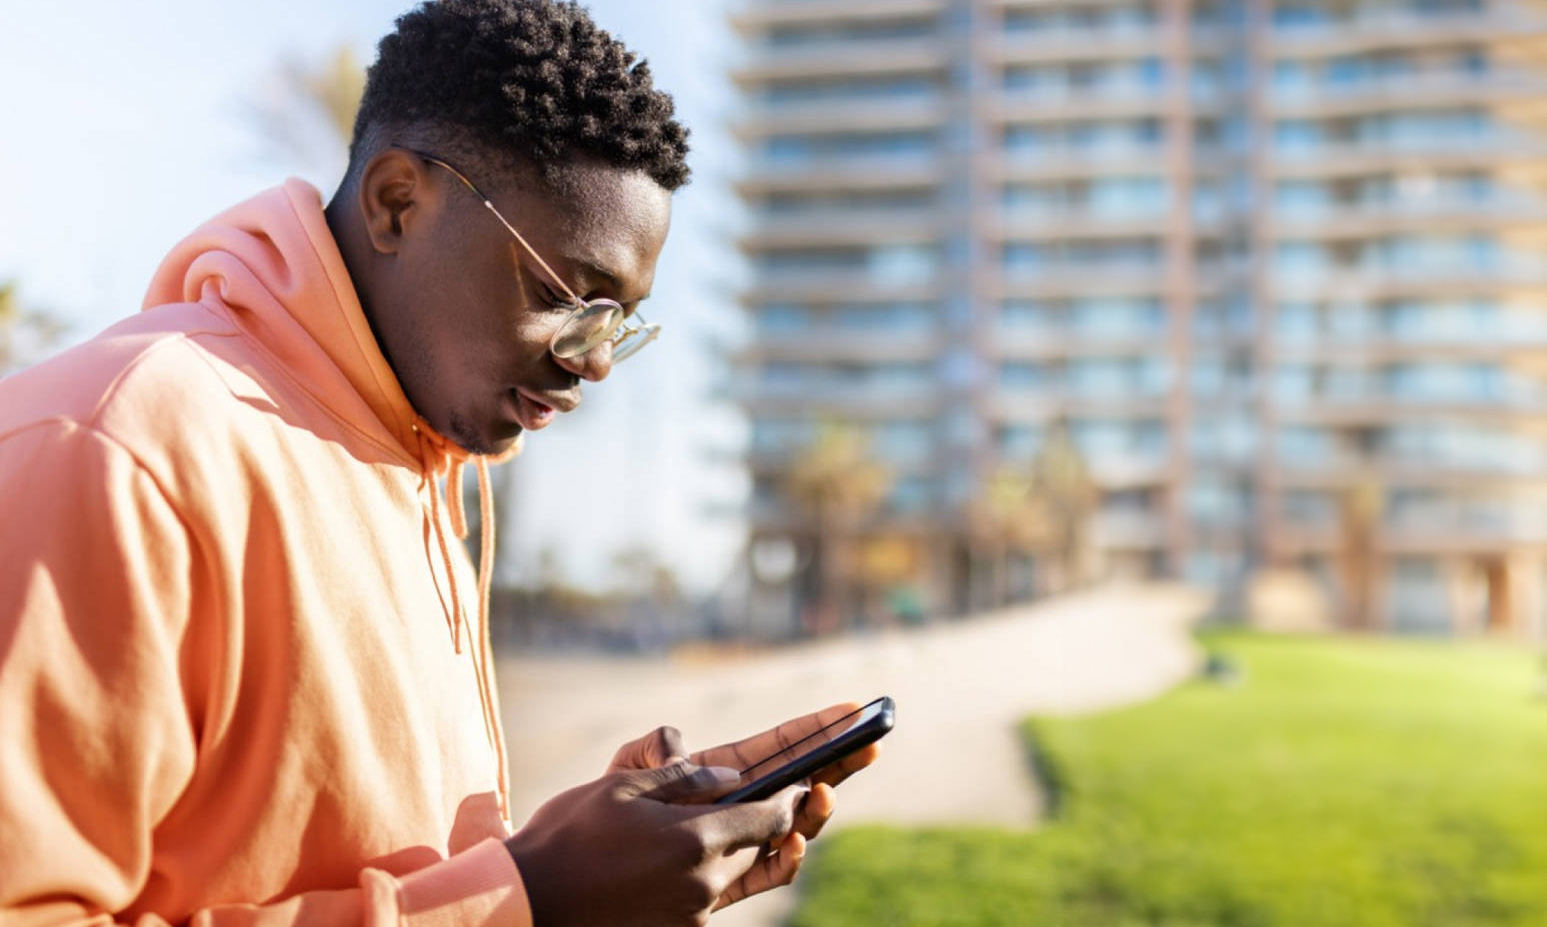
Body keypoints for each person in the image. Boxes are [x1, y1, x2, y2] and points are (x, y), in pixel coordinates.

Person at [0, 2, 878, 926]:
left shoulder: (420, 464)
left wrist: (582, 867)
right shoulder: (112, 452)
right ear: (395, 204)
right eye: (562, 295)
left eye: (618, 320)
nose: (595, 360)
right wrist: (530, 899)